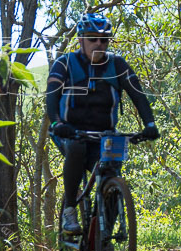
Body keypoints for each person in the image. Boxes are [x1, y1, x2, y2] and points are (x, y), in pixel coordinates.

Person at [46, 13, 160, 235]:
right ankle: (70, 208)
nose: (99, 43)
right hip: (69, 131)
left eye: (104, 39)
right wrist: (57, 123)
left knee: (112, 178)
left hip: (105, 135)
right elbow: (51, 98)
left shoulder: (117, 64)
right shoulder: (65, 64)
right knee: (76, 148)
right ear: (80, 40)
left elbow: (138, 96)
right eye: (92, 38)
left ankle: (103, 238)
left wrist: (150, 124)